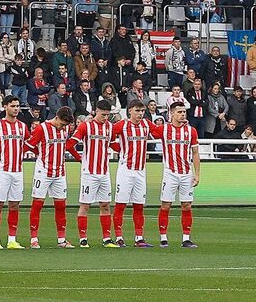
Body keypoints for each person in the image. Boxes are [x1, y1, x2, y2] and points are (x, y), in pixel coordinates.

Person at [0, 96, 29, 249]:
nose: (16, 108)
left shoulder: (22, 126)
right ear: (5, 107)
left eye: (18, 106)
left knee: (14, 205)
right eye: (13, 106)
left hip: (17, 171)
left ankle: (12, 240)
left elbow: (30, 143)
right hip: (1, 171)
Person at [27, 106, 77, 248]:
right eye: (61, 124)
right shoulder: (42, 128)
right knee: (37, 204)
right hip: (43, 172)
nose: (63, 127)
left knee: (61, 206)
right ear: (56, 117)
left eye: (65, 125)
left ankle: (61, 240)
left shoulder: (66, 129)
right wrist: (41, 154)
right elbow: (30, 145)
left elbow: (66, 145)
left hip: (60, 173)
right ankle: (33, 239)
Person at [73, 100, 116, 247]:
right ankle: (83, 238)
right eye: (103, 114)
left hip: (104, 172)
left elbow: (112, 144)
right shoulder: (86, 126)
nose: (105, 118)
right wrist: (80, 159)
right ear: (96, 111)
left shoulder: (110, 127)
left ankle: (106, 238)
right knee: (85, 205)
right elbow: (70, 144)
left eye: (107, 115)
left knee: (105, 205)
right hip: (89, 173)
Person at [112, 99, 155, 247]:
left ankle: (139, 238)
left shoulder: (146, 124)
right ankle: (118, 237)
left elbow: (160, 132)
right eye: (137, 111)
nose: (140, 114)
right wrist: (120, 150)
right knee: (121, 205)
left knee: (139, 205)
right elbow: (109, 136)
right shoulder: (122, 125)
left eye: (142, 111)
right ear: (130, 111)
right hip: (126, 170)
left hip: (140, 171)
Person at [157, 101, 200, 248]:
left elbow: (195, 153)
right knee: (166, 205)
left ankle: (186, 239)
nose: (182, 115)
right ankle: (163, 238)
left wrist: (197, 174)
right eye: (179, 112)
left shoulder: (191, 131)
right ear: (172, 113)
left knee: (187, 206)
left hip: (186, 173)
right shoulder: (163, 129)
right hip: (170, 173)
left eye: (184, 112)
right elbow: (146, 130)